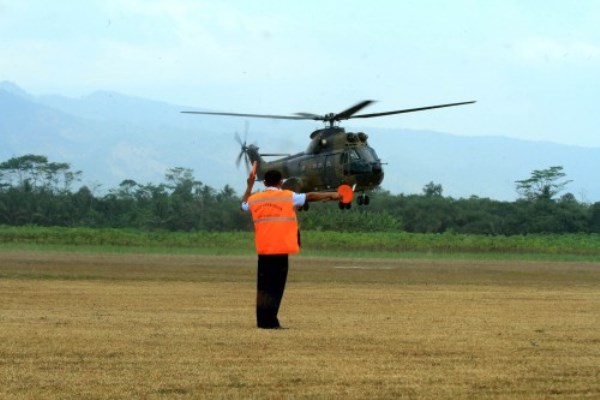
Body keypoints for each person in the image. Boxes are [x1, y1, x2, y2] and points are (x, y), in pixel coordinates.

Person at [241, 169, 341, 329]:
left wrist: (249, 186)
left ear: (265, 183)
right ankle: (271, 321)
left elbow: (243, 205)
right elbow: (310, 196)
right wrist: (333, 194)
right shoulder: (288, 196)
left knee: (263, 288)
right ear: (280, 182)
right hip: (280, 249)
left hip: (264, 250)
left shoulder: (255, 199)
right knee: (275, 288)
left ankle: (263, 321)